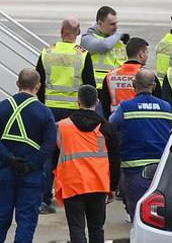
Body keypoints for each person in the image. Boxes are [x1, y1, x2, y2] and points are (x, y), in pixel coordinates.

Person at [0, 67, 57, 243]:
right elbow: (48, 146)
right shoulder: (44, 112)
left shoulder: (1, 108)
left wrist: (9, 158)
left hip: (4, 172)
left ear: (18, 84)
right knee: (26, 221)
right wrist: (31, 164)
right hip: (31, 175)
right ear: (38, 86)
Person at [109, 70, 172, 222]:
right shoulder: (166, 107)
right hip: (161, 168)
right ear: (153, 86)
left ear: (134, 85)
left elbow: (111, 125)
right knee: (158, 215)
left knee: (138, 214)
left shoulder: (126, 107)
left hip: (134, 168)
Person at [55, 84, 118, 243]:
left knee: (76, 230)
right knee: (97, 229)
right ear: (97, 102)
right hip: (98, 184)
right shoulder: (106, 127)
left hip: (72, 185)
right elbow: (115, 159)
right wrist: (113, 187)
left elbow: (55, 153)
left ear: (78, 101)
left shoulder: (63, 126)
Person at [38, 19, 96, 120]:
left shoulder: (47, 52)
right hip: (74, 109)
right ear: (78, 32)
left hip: (49, 107)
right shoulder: (83, 54)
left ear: (61, 31)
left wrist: (43, 104)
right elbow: (90, 85)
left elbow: (39, 83)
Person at [80, 6, 127, 90]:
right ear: (100, 23)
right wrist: (119, 35)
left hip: (116, 90)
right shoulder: (87, 39)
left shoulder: (117, 41)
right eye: (112, 24)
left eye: (116, 23)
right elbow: (105, 46)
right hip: (98, 89)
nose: (116, 27)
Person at [102, 37, 151, 115]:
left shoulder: (110, 76)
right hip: (140, 119)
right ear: (141, 54)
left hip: (116, 121)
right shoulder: (148, 76)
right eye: (146, 53)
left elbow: (104, 104)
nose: (147, 56)